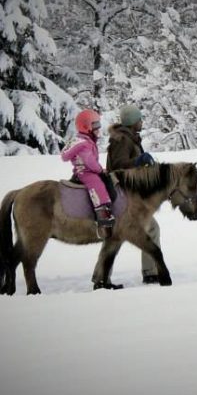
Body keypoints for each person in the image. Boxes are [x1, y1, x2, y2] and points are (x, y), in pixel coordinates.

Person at [105, 103, 161, 284]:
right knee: (147, 229)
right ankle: (150, 272)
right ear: (132, 122)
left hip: (129, 193)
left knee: (147, 229)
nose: (142, 122)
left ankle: (149, 271)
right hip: (123, 195)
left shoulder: (130, 138)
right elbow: (119, 165)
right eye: (139, 119)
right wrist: (139, 160)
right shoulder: (122, 139)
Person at [61, 108, 114, 238]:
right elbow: (89, 161)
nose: (98, 128)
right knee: (98, 186)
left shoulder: (82, 140)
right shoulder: (84, 143)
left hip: (84, 170)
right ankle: (103, 220)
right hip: (86, 172)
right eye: (95, 125)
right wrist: (100, 170)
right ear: (86, 127)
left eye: (98, 125)